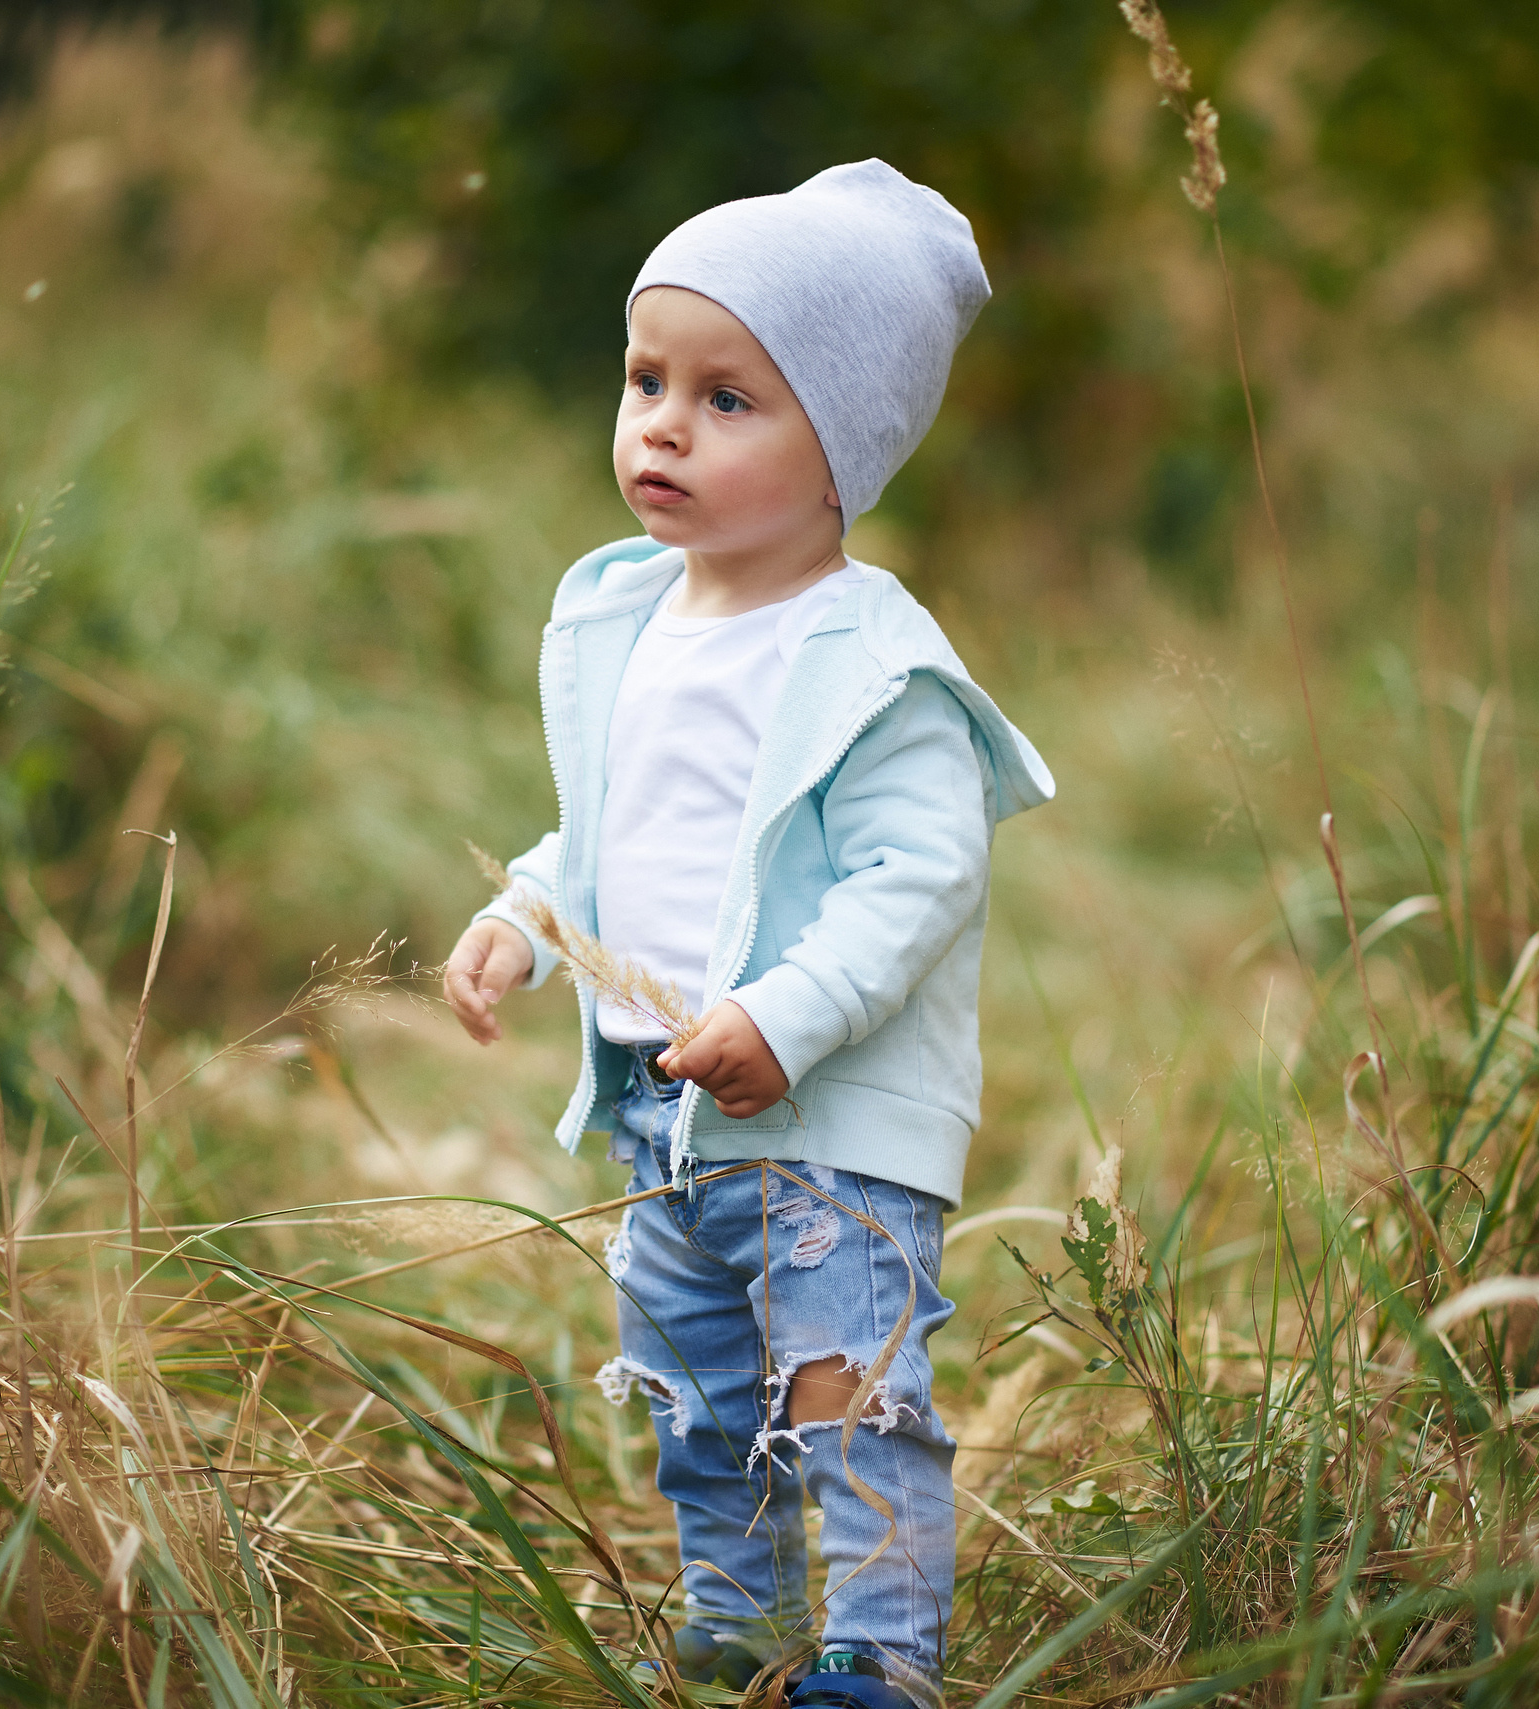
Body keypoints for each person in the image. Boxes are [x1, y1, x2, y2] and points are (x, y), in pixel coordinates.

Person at [440, 159, 1053, 1709]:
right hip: (666, 1114)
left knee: (846, 1394)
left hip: (823, 1126)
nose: (662, 424)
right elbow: (613, 828)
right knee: (701, 1399)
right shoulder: (632, 616)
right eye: (647, 379)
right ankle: (741, 1625)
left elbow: (918, 876)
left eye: (727, 399)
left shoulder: (871, 664)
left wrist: (786, 1013)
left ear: (843, 446)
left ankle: (877, 1657)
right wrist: (524, 916)